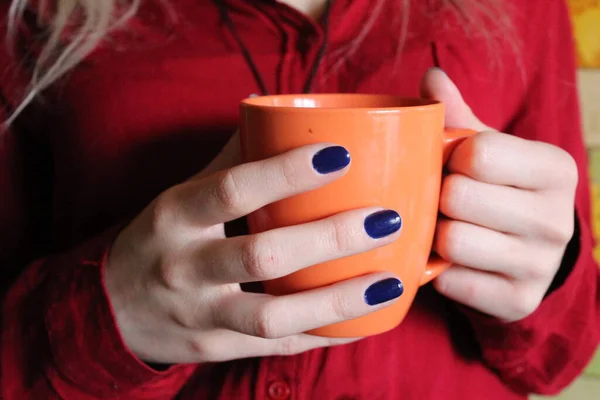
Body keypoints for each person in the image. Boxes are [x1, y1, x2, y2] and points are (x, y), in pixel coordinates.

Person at [1, 0, 598, 399]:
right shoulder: (33, 14)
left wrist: (548, 275)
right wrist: (107, 319)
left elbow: (563, 354)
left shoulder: (523, 8)